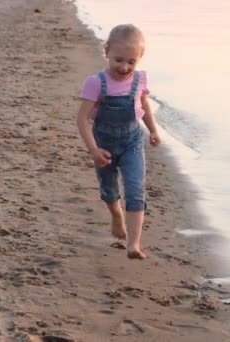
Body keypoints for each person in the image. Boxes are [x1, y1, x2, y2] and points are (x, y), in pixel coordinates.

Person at [76, 24, 162, 260]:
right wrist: (93, 149)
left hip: (132, 141)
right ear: (107, 51)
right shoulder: (96, 83)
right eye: (119, 60)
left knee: (136, 190)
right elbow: (82, 119)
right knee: (109, 190)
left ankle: (133, 244)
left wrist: (153, 131)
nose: (124, 67)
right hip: (104, 142)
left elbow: (144, 107)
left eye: (131, 62)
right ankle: (116, 214)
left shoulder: (140, 80)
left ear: (140, 59)